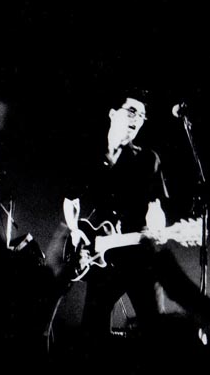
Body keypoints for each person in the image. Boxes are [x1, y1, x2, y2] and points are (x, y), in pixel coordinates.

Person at [49, 88, 169, 336]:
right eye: (132, 111)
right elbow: (70, 200)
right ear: (113, 113)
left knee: (156, 332)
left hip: (139, 256)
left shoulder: (148, 160)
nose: (137, 119)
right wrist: (75, 232)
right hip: (102, 257)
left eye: (142, 116)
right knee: (93, 332)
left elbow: (155, 207)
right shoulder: (89, 156)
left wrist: (158, 226)